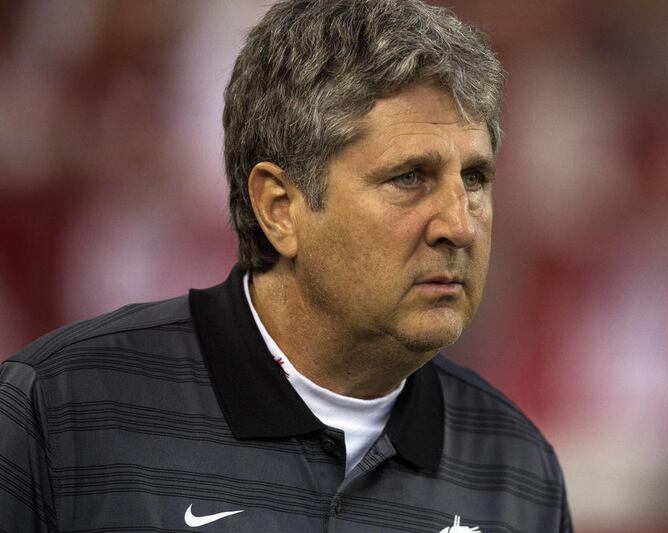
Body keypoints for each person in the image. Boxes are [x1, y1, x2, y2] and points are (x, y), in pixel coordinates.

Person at [0, 0, 572, 531]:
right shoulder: (57, 411)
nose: (460, 224)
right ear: (280, 209)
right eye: (408, 178)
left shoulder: (518, 464)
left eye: (474, 179)